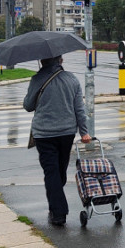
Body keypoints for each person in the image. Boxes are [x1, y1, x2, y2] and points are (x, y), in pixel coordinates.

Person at [23, 55, 91, 226]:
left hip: (44, 134)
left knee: (52, 172)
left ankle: (57, 210)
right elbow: (79, 109)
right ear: (60, 60)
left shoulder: (37, 79)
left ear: (42, 61)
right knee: (59, 171)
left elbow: (28, 106)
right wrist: (84, 132)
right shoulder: (72, 79)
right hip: (67, 133)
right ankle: (57, 208)